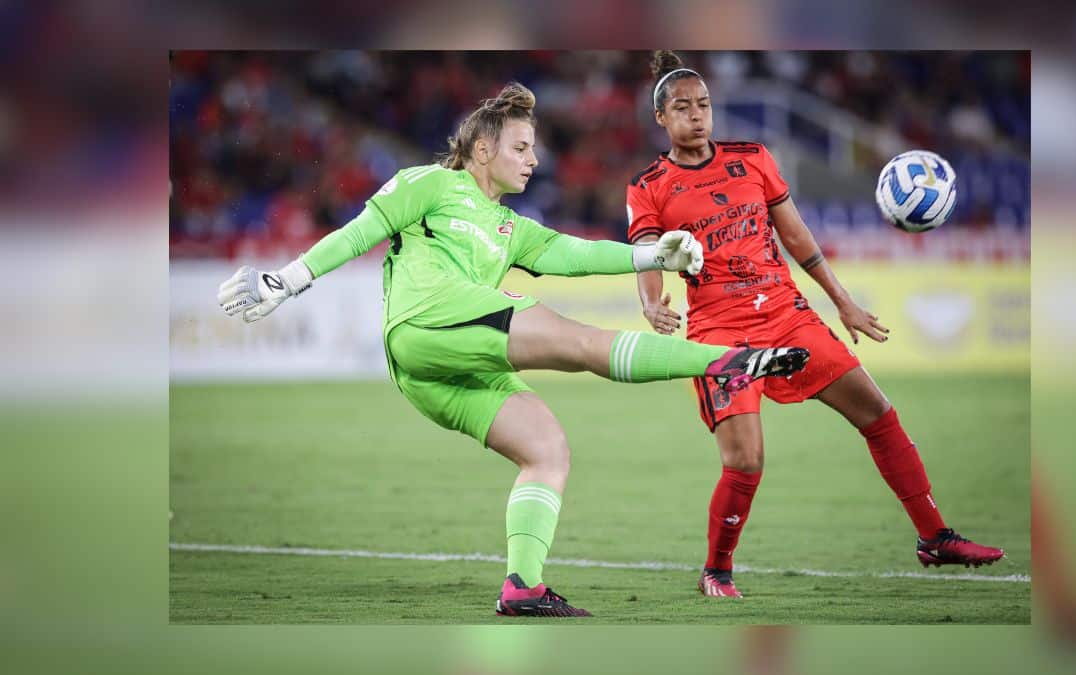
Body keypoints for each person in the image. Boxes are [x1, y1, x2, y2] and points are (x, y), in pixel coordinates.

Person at [217, 82, 810, 617]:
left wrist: (655, 254)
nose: (534, 159)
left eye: (534, 148)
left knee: (547, 449)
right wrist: (287, 279)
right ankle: (729, 361)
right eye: (522, 147)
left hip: (435, 375)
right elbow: (359, 232)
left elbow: (577, 254)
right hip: (427, 320)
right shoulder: (433, 183)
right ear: (481, 149)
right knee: (579, 342)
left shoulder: (511, 227)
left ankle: (522, 587)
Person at [627, 52, 1005, 599]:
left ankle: (934, 536)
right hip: (719, 330)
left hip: (785, 313)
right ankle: (717, 569)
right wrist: (651, 301)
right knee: (746, 459)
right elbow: (647, 253)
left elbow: (798, 237)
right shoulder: (650, 185)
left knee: (877, 412)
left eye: (704, 104)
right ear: (661, 118)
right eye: (682, 107)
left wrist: (842, 302)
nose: (697, 115)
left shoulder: (753, 158)